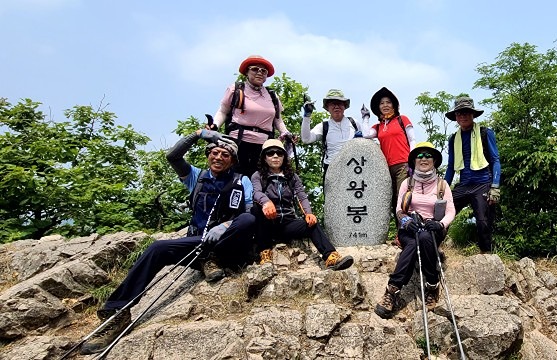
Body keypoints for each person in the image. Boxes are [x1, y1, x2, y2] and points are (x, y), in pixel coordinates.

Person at [80, 130, 256, 355]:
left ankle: (211, 259)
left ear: (233, 160)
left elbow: (250, 213)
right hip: (196, 243)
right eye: (215, 152)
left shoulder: (242, 181)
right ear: (208, 155)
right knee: (156, 248)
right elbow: (173, 157)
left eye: (225, 154)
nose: (218, 157)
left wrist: (226, 226)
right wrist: (199, 134)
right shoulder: (196, 177)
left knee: (248, 219)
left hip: (227, 245)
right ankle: (117, 312)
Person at [375, 142, 455, 319]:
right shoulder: (407, 183)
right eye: (419, 156)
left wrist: (441, 224)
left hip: (433, 228)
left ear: (434, 160)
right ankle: (400, 289)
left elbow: (450, 211)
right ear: (414, 161)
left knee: (425, 238)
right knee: (413, 242)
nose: (423, 158)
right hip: (410, 227)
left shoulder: (442, 185)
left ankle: (415, 287)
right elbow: (398, 209)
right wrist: (405, 220)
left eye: (428, 155)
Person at [250, 139, 354, 270]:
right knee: (256, 209)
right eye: (270, 153)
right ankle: (264, 252)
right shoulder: (258, 176)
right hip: (268, 224)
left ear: (284, 156)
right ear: (264, 158)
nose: (275, 156)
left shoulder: (291, 177)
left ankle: (331, 257)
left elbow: (301, 196)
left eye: (279, 153)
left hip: (288, 224)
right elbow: (256, 193)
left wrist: (308, 213)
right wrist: (266, 202)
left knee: (312, 223)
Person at [209, 55, 291, 178]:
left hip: (264, 145)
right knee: (233, 178)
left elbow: (278, 120)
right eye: (255, 69)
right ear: (247, 72)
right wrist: (214, 126)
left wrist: (286, 133)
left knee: (260, 180)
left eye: (264, 71)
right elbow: (223, 112)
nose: (260, 73)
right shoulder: (236, 90)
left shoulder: (272, 96)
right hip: (238, 142)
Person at [444, 97, 501, 253]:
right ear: (455, 117)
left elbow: (495, 160)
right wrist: (442, 189)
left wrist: (495, 186)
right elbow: (450, 167)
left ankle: (486, 254)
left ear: (473, 115)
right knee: (442, 213)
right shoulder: (454, 139)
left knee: (483, 221)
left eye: (466, 112)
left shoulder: (485, 133)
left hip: (483, 182)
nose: (463, 116)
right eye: (459, 113)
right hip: (464, 184)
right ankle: (435, 247)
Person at [361, 87, 416, 233]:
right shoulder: (378, 126)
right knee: (392, 200)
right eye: (382, 103)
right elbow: (366, 134)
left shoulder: (402, 120)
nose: (385, 105)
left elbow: (412, 140)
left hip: (403, 164)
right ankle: (400, 233)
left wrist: (413, 161)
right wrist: (365, 117)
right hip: (386, 168)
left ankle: (406, 232)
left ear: (394, 105)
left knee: (402, 198)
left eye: (388, 102)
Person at [300, 89, 363, 182]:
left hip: (354, 168)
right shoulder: (323, 126)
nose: (336, 106)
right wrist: (307, 116)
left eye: (340, 103)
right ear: (327, 107)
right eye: (333, 104)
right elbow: (306, 139)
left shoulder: (353, 122)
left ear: (344, 106)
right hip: (332, 169)